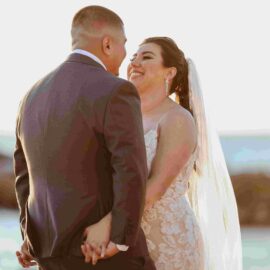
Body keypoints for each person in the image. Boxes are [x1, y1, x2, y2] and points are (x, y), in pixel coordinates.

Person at [14, 6, 156, 270]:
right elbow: (130, 169)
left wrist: (30, 237)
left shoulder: (30, 97)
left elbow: (23, 176)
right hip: (102, 255)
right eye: (124, 45)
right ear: (107, 44)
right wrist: (120, 239)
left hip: (49, 257)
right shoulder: (116, 91)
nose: (126, 56)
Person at [86, 37, 243, 270]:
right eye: (133, 58)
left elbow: (155, 188)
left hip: (167, 239)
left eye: (146, 57)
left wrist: (109, 227)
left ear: (169, 73)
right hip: (128, 239)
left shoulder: (177, 119)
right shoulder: (122, 119)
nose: (134, 63)